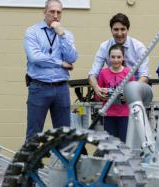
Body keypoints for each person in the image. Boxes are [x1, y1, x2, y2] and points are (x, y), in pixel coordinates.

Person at [23, 0, 78, 140]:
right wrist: (60, 63)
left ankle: (63, 162)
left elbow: (72, 58)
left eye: (58, 12)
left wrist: (62, 35)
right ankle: (33, 163)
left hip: (61, 88)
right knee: (34, 134)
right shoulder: (32, 32)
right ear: (44, 12)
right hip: (39, 87)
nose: (55, 15)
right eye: (52, 11)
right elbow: (35, 58)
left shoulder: (67, 34)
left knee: (64, 134)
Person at [89, 13, 150, 100]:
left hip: (135, 91)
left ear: (127, 30)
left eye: (123, 29)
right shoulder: (104, 47)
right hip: (113, 95)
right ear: (111, 30)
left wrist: (131, 92)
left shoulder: (139, 47)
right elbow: (92, 74)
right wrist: (96, 88)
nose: (119, 33)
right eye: (116, 29)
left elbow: (144, 75)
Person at [97, 44, 135, 142]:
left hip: (124, 114)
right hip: (109, 114)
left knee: (123, 143)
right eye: (113, 57)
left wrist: (127, 96)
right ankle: (111, 158)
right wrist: (102, 94)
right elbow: (97, 96)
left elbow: (134, 94)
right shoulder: (103, 73)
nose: (116, 60)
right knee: (110, 144)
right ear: (109, 58)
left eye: (119, 57)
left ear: (123, 58)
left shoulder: (129, 72)